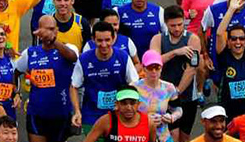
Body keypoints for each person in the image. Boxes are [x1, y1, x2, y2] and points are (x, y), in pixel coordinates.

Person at [13, 13, 80, 142]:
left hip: (61, 114)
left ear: (57, 30)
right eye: (45, 29)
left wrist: (54, 41)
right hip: (36, 114)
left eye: (51, 29)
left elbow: (73, 57)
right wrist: (17, 92)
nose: (48, 33)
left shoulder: (68, 48)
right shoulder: (30, 52)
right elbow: (16, 72)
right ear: (38, 32)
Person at [80, 87, 153, 142]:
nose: (128, 107)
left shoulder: (149, 123)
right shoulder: (106, 121)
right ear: (117, 104)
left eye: (132, 103)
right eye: (124, 103)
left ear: (138, 104)